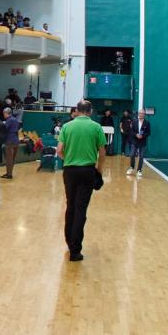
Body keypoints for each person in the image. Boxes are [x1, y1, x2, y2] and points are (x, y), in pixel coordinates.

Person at [56, 100, 107, 262]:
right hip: (87, 171)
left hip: (70, 171)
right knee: (81, 209)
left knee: (70, 206)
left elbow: (59, 151)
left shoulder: (67, 127)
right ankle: (75, 250)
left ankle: (69, 241)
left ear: (77, 111)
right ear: (90, 112)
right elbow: (102, 153)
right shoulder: (96, 127)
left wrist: (69, 159)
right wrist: (99, 171)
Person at [126, 110, 152, 176]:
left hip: (142, 142)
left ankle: (139, 170)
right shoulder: (134, 122)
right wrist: (136, 135)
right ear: (138, 114)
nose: (140, 114)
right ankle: (132, 167)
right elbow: (131, 131)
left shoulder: (147, 123)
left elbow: (148, 133)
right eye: (140, 113)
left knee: (141, 156)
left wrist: (142, 136)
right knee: (132, 154)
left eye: (142, 113)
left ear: (144, 115)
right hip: (134, 141)